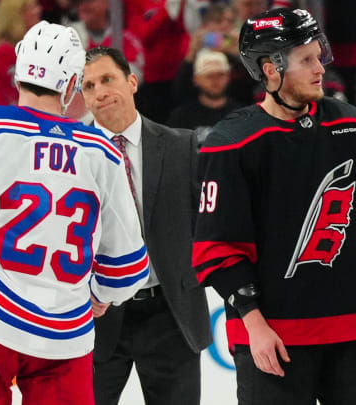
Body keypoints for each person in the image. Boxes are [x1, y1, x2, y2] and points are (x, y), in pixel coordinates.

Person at [0, 21, 150, 405]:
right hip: (65, 335)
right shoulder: (102, 149)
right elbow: (126, 269)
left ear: (19, 72)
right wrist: (101, 294)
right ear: (71, 83)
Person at [193, 8, 356, 404]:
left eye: (319, 54)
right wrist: (254, 326)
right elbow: (216, 249)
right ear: (270, 69)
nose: (320, 67)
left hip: (351, 333)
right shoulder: (231, 143)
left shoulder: (352, 127)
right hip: (272, 337)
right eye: (306, 59)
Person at [81, 46, 211, 405]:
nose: (99, 92)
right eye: (88, 86)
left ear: (132, 81)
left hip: (170, 314)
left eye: (107, 79)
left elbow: (211, 224)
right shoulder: (72, 155)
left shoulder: (182, 146)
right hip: (94, 318)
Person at [169, 49, 242, 145]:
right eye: (209, 75)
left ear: (228, 76)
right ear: (196, 79)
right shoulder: (181, 117)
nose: (215, 80)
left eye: (220, 74)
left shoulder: (242, 115)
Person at [0, 0, 42, 106]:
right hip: (7, 115)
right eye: (32, 8)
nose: (38, 10)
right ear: (17, 16)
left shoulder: (36, 44)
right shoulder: (2, 52)